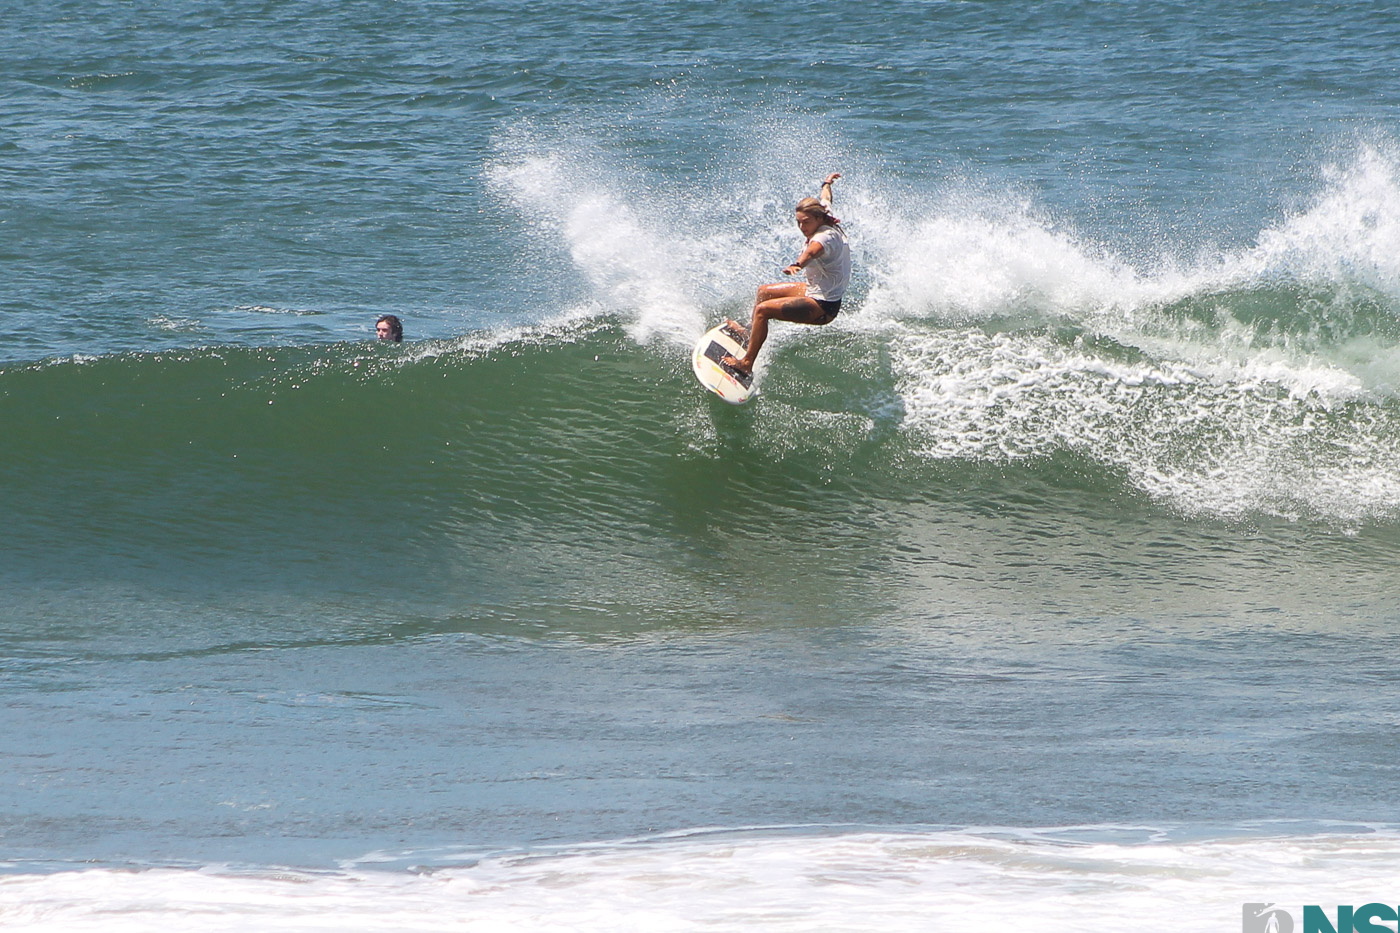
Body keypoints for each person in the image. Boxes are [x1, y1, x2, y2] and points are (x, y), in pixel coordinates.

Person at [724, 172, 849, 374]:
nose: (802, 227)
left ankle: (746, 364)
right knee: (764, 292)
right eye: (798, 222)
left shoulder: (824, 238)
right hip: (815, 290)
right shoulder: (824, 213)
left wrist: (797, 265)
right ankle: (750, 332)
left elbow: (811, 252)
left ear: (818, 218)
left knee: (763, 310)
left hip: (823, 307)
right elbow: (826, 198)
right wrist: (827, 183)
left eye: (806, 222)